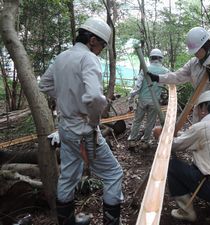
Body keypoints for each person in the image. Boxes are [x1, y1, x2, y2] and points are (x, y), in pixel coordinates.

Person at [39, 17, 124, 225]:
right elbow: (95, 98)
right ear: (93, 40)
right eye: (102, 45)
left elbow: (44, 84)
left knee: (69, 175)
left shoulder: (61, 57)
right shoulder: (88, 58)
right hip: (84, 130)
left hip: (66, 128)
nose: (101, 50)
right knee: (113, 174)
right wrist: (94, 119)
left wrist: (66, 98)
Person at [153, 90, 210, 222]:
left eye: (199, 108)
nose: (198, 112)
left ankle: (187, 211)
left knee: (172, 166)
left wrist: (160, 137)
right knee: (199, 165)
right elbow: (195, 136)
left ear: (204, 108)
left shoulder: (202, 127)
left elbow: (174, 145)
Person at [148, 27, 210, 123]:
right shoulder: (193, 63)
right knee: (197, 132)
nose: (195, 53)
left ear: (206, 46)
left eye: (197, 50)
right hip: (198, 104)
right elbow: (178, 76)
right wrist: (158, 78)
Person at [127, 48, 169, 149]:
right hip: (155, 102)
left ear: (150, 58)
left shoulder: (145, 69)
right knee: (150, 122)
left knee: (137, 120)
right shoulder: (165, 71)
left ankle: (132, 141)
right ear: (160, 58)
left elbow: (137, 86)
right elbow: (170, 83)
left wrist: (131, 99)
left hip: (142, 100)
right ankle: (145, 142)